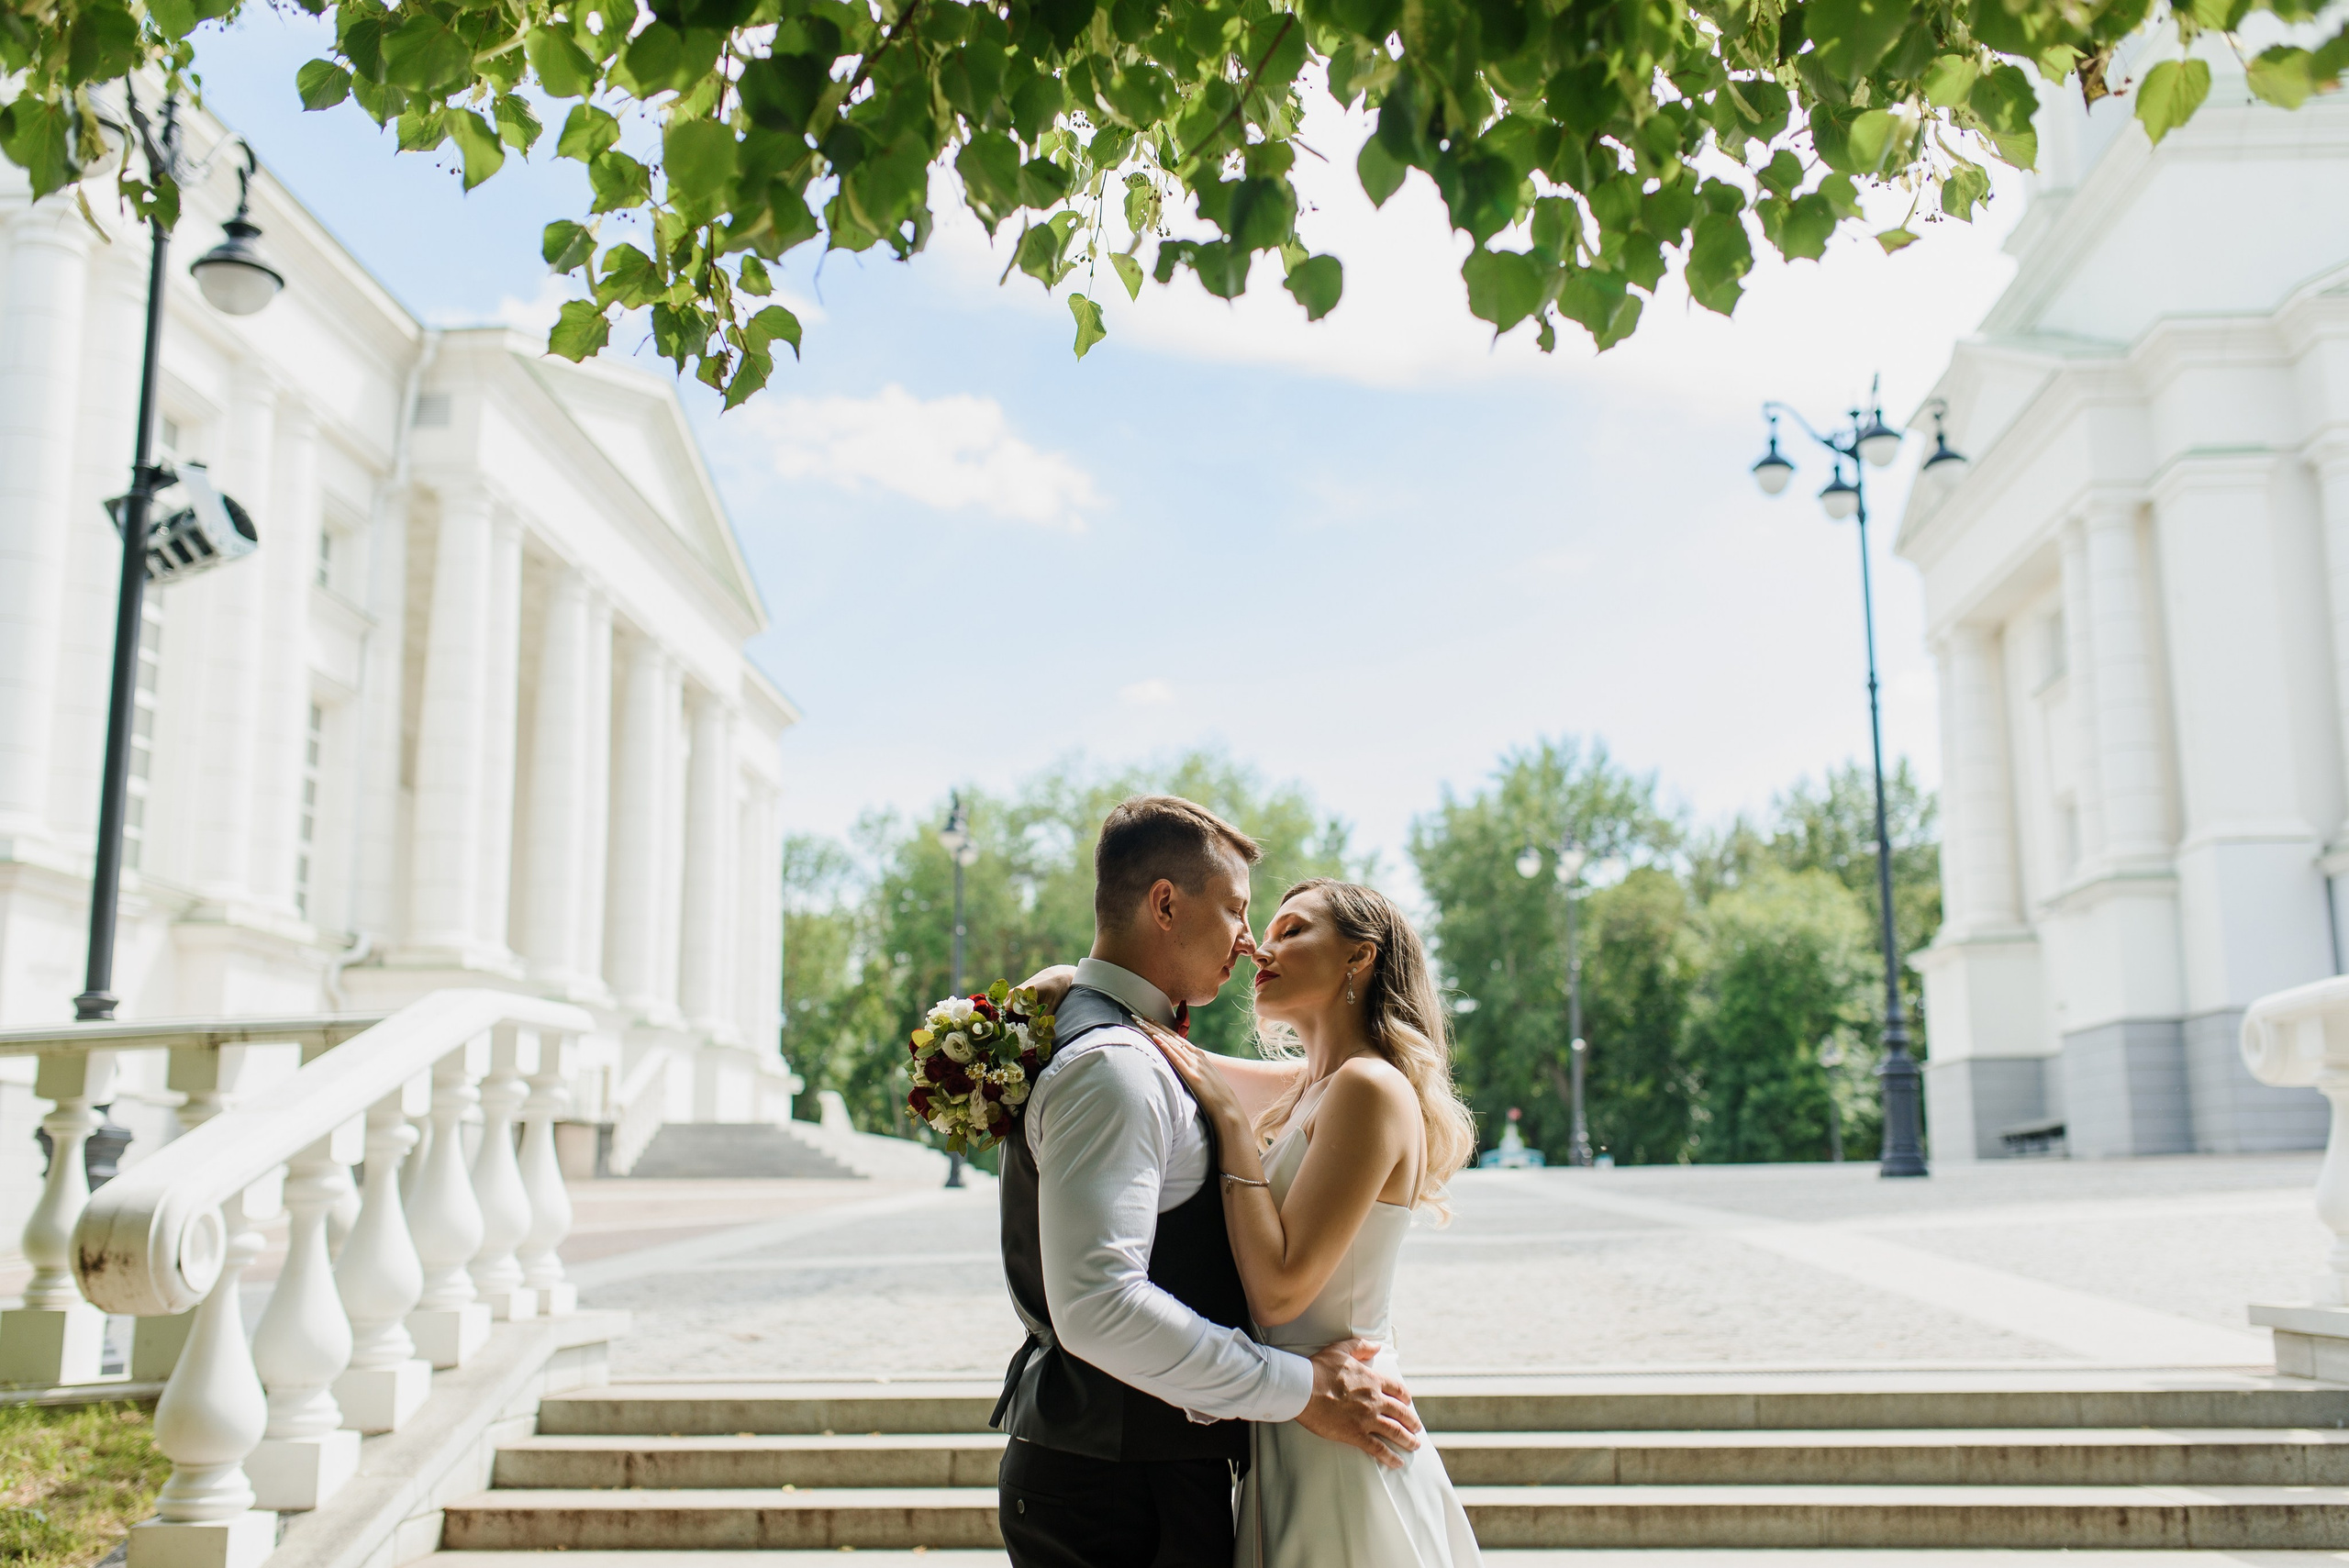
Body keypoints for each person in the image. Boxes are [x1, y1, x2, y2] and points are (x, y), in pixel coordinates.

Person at [994, 795, 1425, 1568]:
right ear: (1166, 903)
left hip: (1269, 1434)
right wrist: (1077, 984)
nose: (1253, 943)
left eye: (1287, 926)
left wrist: (1085, 988)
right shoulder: (1122, 1063)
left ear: (1360, 956)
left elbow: (1222, 1074)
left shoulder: (1333, 1087)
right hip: (1145, 1470)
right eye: (1240, 910)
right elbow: (1098, 1304)